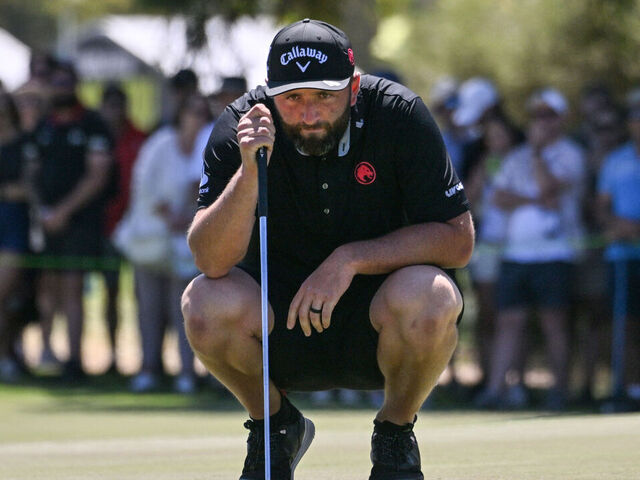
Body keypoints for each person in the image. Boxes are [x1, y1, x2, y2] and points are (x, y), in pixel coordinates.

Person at [181, 19, 473, 479]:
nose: (309, 114)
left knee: (433, 296)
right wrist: (249, 174)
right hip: (278, 328)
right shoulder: (243, 124)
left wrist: (349, 259)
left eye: (324, 96)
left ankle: (395, 434)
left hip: (380, 324)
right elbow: (209, 259)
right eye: (292, 99)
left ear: (354, 88)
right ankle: (276, 427)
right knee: (202, 302)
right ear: (271, 92)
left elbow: (458, 239)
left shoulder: (399, 114)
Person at [476, 88, 586, 410]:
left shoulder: (570, 154)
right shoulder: (515, 156)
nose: (542, 121)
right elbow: (500, 198)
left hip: (555, 252)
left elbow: (551, 187)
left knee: (554, 322)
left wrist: (538, 154)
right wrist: (537, 199)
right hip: (516, 253)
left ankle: (559, 392)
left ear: (562, 119)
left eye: (549, 115)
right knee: (509, 320)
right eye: (538, 115)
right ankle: (495, 391)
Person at [116, 93, 208, 394]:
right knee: (149, 311)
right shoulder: (160, 143)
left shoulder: (209, 144)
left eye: (201, 112)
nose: (196, 117)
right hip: (150, 240)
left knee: (184, 310)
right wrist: (167, 214)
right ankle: (148, 369)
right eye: (191, 111)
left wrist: (187, 218)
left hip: (186, 244)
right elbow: (142, 184)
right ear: (181, 114)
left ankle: (186, 373)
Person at [33, 62, 114, 379]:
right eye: (56, 82)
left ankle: (74, 361)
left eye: (67, 82)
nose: (61, 88)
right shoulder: (44, 124)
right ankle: (45, 354)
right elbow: (32, 172)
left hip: (80, 223)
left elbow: (98, 176)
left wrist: (62, 212)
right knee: (46, 288)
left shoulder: (93, 123)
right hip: (46, 221)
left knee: (72, 287)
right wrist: (43, 211)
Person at [98, 83, 147, 374]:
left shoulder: (140, 138)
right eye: (109, 105)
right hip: (108, 227)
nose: (114, 112)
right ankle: (113, 356)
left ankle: (146, 361)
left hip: (139, 229)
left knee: (144, 297)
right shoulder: (96, 138)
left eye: (119, 105)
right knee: (110, 294)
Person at [597, 94, 640, 407]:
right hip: (622, 255)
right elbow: (602, 207)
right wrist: (618, 225)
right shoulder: (616, 160)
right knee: (624, 323)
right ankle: (626, 388)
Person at [0, 93, 39, 382]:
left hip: (14, 226)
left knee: (6, 295)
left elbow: (30, 188)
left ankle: (6, 355)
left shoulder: (26, 143)